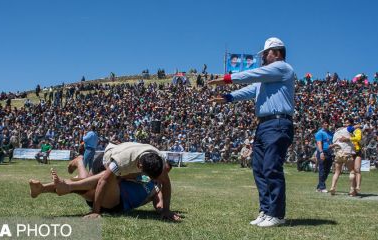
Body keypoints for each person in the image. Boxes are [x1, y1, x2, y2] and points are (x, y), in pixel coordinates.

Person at [208, 37, 294, 227]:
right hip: (265, 125)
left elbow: (253, 75)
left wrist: (228, 79)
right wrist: (227, 98)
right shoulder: (267, 78)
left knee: (271, 168)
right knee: (259, 169)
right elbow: (250, 90)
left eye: (266, 53)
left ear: (277, 53)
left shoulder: (282, 68)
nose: (263, 57)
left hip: (277, 123)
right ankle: (266, 210)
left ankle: (277, 214)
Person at [28, 156, 179, 221]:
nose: (161, 174)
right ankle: (41, 189)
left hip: (118, 202)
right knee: (108, 177)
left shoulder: (156, 189)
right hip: (109, 192)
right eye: (161, 170)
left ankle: (79, 163)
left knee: (94, 182)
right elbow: (124, 176)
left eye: (166, 172)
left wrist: (165, 211)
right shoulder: (143, 173)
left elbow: (160, 206)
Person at [61, 142, 180, 221]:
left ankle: (73, 181)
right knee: (88, 188)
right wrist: (95, 211)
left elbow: (166, 183)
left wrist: (166, 210)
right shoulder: (122, 162)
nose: (155, 180)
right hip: (104, 163)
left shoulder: (159, 161)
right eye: (152, 177)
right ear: (140, 166)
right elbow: (103, 181)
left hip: (121, 170)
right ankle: (79, 162)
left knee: (92, 193)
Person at [329, 125, 356, 196]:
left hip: (338, 154)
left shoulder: (335, 135)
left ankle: (333, 187)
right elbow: (358, 126)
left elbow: (334, 145)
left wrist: (331, 146)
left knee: (337, 172)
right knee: (352, 171)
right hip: (347, 153)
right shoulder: (346, 130)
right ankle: (352, 189)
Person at [315, 120, 334, 192]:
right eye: (325, 123)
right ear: (322, 124)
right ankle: (322, 187)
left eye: (328, 123)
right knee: (322, 169)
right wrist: (321, 152)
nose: (327, 124)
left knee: (327, 170)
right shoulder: (319, 133)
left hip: (329, 152)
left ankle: (319, 187)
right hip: (322, 152)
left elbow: (331, 142)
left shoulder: (330, 133)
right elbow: (319, 143)